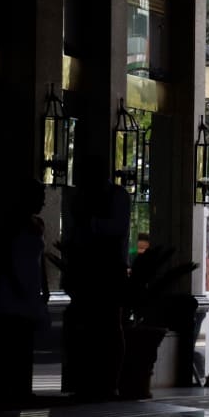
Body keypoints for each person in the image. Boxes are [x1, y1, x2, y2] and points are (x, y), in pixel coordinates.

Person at [62, 154, 131, 399]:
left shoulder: (117, 196)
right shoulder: (78, 197)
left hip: (108, 270)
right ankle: (85, 381)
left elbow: (118, 228)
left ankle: (109, 382)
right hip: (84, 270)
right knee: (87, 326)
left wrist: (89, 222)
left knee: (110, 325)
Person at [0, 177, 51, 406]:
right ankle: (13, 389)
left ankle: (24, 388)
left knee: (26, 341)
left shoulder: (38, 224)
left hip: (29, 286)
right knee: (15, 340)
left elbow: (40, 259)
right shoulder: (12, 225)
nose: (43, 202)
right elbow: (4, 257)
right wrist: (16, 283)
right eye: (40, 197)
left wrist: (44, 285)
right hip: (13, 287)